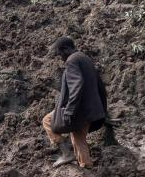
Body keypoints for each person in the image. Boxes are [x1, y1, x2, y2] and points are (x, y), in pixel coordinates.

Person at [42, 37, 108, 169]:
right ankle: (86, 167)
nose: (60, 57)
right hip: (89, 110)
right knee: (79, 139)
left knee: (47, 121)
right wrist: (103, 110)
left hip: (79, 109)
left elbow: (77, 85)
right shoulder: (85, 58)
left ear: (66, 49)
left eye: (60, 53)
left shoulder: (71, 61)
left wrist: (70, 110)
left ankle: (66, 153)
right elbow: (100, 86)